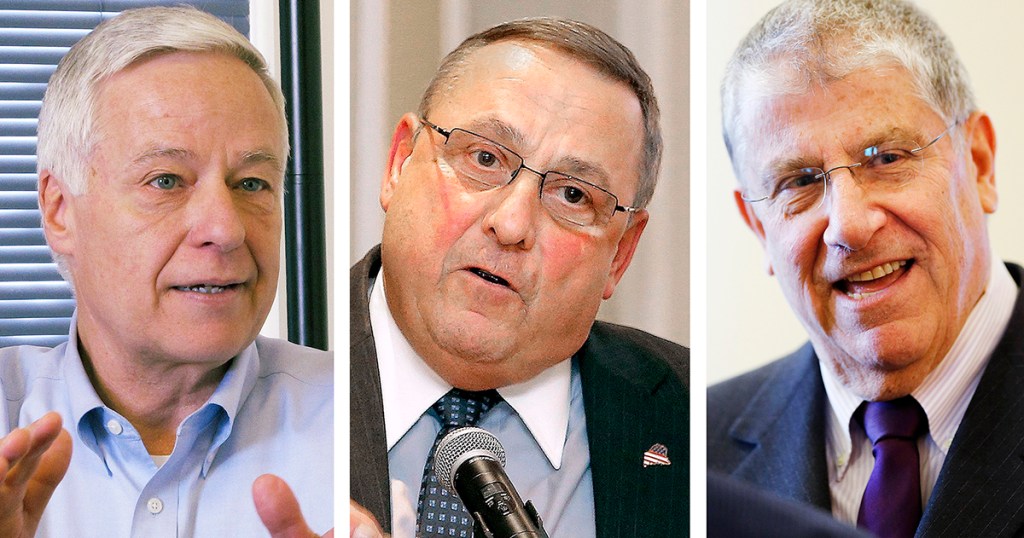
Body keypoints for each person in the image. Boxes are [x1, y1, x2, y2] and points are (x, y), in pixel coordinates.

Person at [349, 17, 689, 538]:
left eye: (573, 195)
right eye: (484, 157)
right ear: (399, 162)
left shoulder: (699, 428)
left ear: (620, 253)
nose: (510, 224)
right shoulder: (275, 374)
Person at [0, 6, 332, 536]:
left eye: (251, 184)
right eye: (166, 181)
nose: (226, 230)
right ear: (61, 210)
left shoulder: (363, 426)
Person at [708, 0, 1024, 536]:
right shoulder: (698, 455)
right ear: (759, 227)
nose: (848, 226)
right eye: (801, 181)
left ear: (979, 162)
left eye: (886, 158)